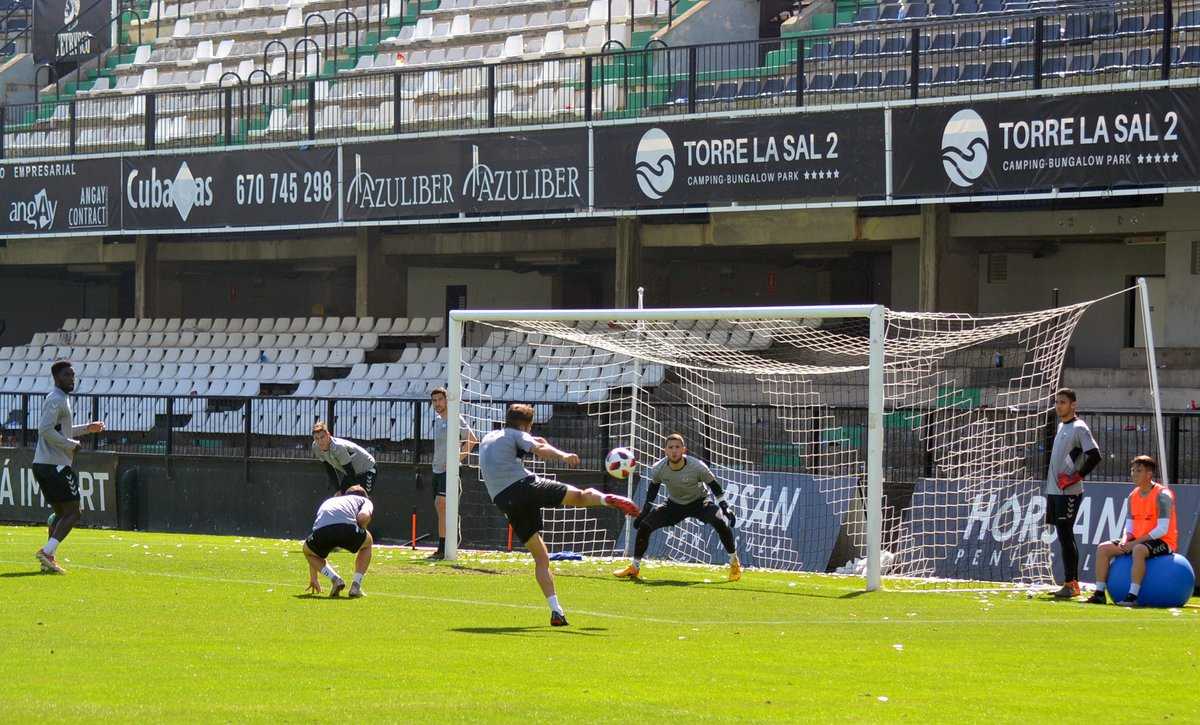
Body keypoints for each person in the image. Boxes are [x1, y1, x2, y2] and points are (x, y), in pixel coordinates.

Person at [478, 403, 640, 627]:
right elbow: (539, 450)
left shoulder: (490, 436)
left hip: (503, 500)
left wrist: (535, 441)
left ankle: (556, 611)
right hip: (524, 485)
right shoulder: (519, 434)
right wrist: (564, 456)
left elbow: (519, 449)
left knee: (541, 558)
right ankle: (606, 499)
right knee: (580, 497)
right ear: (528, 424)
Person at [613, 433, 741, 582]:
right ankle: (634, 567)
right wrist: (645, 512)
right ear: (665, 451)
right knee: (645, 526)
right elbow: (653, 488)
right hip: (674, 505)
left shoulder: (697, 467)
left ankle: (734, 563)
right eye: (670, 447)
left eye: (677, 447)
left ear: (684, 450)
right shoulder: (658, 468)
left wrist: (725, 507)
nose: (674, 451)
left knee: (720, 521)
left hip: (700, 503)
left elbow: (715, 487)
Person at [33, 360, 105, 574]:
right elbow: (45, 430)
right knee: (74, 513)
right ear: (56, 377)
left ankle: (49, 559)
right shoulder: (56, 399)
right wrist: (71, 445)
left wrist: (87, 429)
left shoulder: (59, 399)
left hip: (45, 464)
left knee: (60, 513)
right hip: (55, 465)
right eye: (67, 375)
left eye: (73, 375)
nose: (71, 379)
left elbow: (59, 431)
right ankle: (46, 553)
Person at [1087, 455, 1178, 607]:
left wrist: (1134, 543)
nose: (1134, 474)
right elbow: (1129, 525)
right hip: (1138, 540)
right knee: (1103, 548)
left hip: (1163, 541)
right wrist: (1124, 540)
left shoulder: (1163, 495)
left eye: (1139, 471)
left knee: (1139, 550)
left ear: (1149, 474)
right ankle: (1099, 593)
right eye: (1132, 470)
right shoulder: (1132, 496)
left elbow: (1162, 529)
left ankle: (1132, 596)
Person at [1044, 388, 1102, 599]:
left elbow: (1095, 456)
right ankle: (1069, 583)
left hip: (1068, 493)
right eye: (1057, 402)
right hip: (1055, 491)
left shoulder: (1079, 428)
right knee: (1062, 535)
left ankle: (1072, 584)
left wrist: (1076, 476)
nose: (1059, 406)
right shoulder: (1062, 425)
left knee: (1066, 535)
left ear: (1073, 405)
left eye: (1063, 402)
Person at [429, 387, 477, 559]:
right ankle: (443, 545)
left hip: (449, 471)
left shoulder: (455, 418)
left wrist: (457, 459)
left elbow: (472, 439)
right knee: (439, 506)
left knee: (442, 504)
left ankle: (445, 547)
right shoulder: (438, 420)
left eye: (440, 400)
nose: (437, 403)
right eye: (434, 401)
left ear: (447, 400)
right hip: (437, 469)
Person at [303, 484, 374, 598]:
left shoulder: (332, 501)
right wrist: (361, 531)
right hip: (347, 529)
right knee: (368, 543)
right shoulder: (364, 501)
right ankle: (356, 586)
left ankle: (335, 579)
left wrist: (313, 578)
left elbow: (315, 546)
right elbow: (363, 516)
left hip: (322, 531)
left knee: (308, 551)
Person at [311, 422, 377, 495]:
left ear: (328, 435)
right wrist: (338, 490)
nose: (320, 441)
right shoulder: (315, 447)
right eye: (316, 438)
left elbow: (349, 470)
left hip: (367, 469)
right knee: (341, 498)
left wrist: (356, 490)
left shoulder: (338, 447)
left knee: (361, 498)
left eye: (322, 437)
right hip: (351, 472)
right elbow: (329, 468)